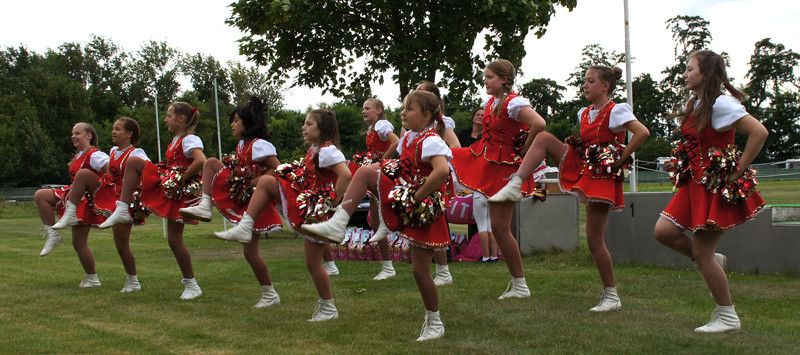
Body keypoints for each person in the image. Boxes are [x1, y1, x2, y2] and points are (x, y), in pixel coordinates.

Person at [490, 65, 650, 311]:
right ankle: (515, 183)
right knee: (543, 138)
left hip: (602, 177)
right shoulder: (583, 113)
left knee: (595, 241)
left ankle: (612, 296)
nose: (585, 85)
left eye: (591, 81)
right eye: (584, 80)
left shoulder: (617, 111)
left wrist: (621, 159)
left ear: (605, 86)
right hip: (583, 165)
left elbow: (642, 132)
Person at [301, 90, 452, 341]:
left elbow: (442, 171)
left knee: (420, 271)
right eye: (404, 108)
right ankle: (340, 222)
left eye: (409, 109)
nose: (403, 112)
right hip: (409, 199)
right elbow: (399, 166)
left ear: (426, 115)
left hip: (424, 208)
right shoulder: (410, 138)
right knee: (363, 172)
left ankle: (435, 322)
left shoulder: (431, 140)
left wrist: (415, 197)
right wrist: (379, 170)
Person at [653, 50, 767, 333]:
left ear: (705, 73)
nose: (684, 74)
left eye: (689, 69)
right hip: (694, 184)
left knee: (702, 254)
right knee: (663, 232)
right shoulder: (696, 103)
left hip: (714, 187)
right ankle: (709, 260)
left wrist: (739, 169)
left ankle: (728, 316)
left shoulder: (722, 103)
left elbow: (759, 132)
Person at [214, 109, 351, 322]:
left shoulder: (326, 150)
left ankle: (329, 307)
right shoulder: (315, 149)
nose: (304, 128)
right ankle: (246, 225)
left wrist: (332, 202)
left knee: (313, 263)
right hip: (308, 204)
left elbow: (346, 174)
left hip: (316, 210)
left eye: (308, 124)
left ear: (321, 129)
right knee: (269, 181)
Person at [449, 59, 547, 299]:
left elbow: (539, 123)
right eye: (484, 78)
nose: (486, 82)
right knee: (500, 228)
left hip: (505, 170)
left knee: (501, 229)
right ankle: (518, 284)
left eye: (490, 77)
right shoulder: (491, 102)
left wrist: (524, 147)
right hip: (490, 163)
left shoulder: (514, 103)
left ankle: (521, 285)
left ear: (504, 79)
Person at [178, 97, 282, 308]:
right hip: (244, 196)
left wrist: (252, 182)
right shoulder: (242, 145)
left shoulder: (259, 145)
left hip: (255, 200)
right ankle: (205, 205)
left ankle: (270, 294)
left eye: (235, 120)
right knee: (211, 163)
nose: (232, 124)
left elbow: (277, 169)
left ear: (248, 122)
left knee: (249, 251)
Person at [99, 102, 207, 300]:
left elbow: (201, 161)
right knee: (174, 240)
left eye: (169, 116)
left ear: (181, 119)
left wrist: (179, 180)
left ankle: (192, 284)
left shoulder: (189, 139)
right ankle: (122, 208)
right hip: (170, 184)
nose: (165, 119)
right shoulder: (177, 139)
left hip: (177, 189)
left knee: (175, 240)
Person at [52, 118, 148, 292]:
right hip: (109, 194)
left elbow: (149, 172)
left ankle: (133, 282)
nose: (113, 132)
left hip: (124, 200)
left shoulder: (137, 153)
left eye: (118, 129)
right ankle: (68, 214)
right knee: (82, 175)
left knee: (121, 244)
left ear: (129, 133)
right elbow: (108, 172)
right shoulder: (112, 151)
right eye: (113, 128)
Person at [35, 123, 109, 288]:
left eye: (77, 133)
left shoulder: (95, 154)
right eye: (72, 133)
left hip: (84, 201)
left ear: (89, 135)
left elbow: (110, 169)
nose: (73, 136)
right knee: (41, 196)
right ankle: (52, 234)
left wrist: (108, 192)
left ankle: (93, 279)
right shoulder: (79, 155)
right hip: (73, 197)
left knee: (79, 243)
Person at [347, 98, 400, 280]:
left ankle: (390, 266)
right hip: (375, 175)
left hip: (383, 175)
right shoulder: (371, 129)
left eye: (367, 108)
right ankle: (387, 266)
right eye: (363, 108)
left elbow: (396, 142)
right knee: (377, 224)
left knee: (384, 221)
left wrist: (382, 161)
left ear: (379, 110)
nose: (363, 111)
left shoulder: (382, 125)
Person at [457, 107, 497, 262]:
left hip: (479, 191)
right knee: (491, 226)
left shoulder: (476, 155)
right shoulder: (494, 154)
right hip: (493, 192)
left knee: (482, 226)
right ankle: (494, 255)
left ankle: (486, 256)